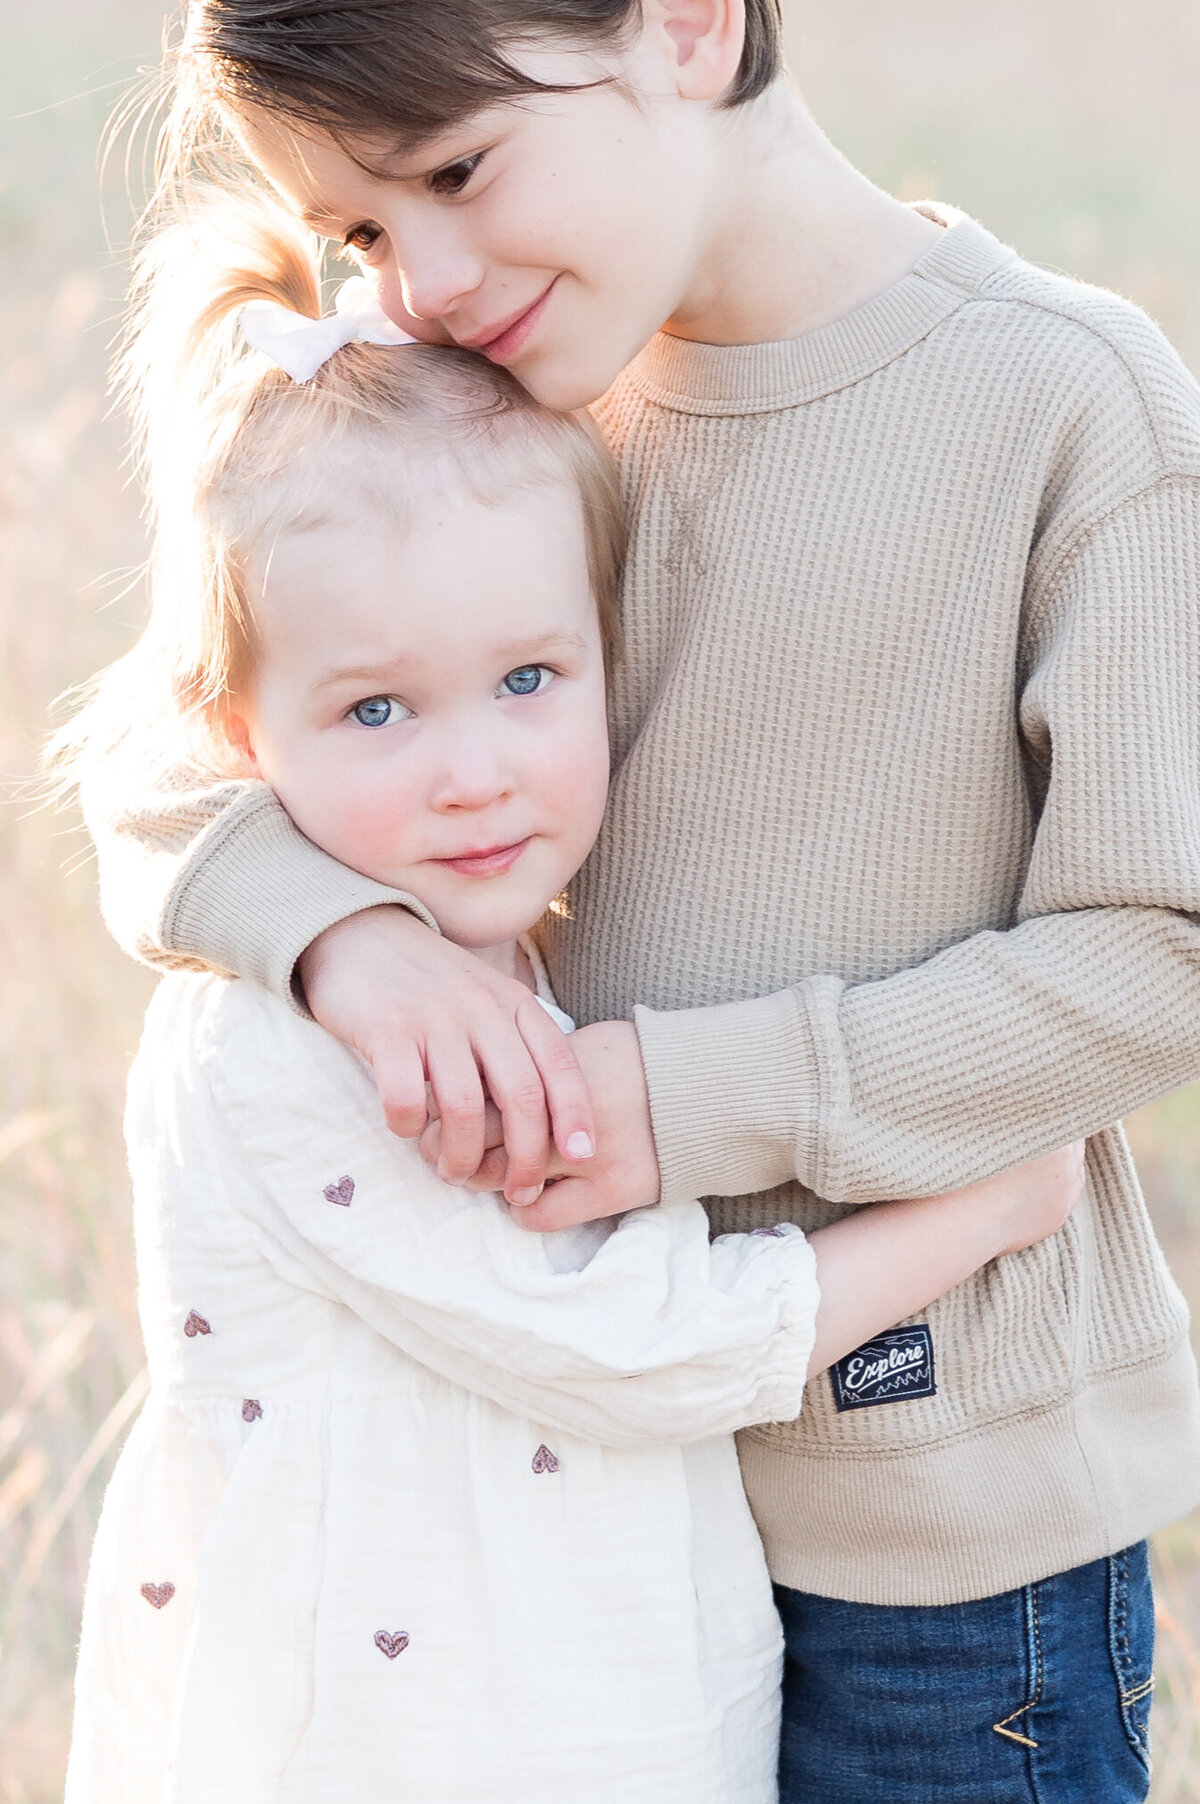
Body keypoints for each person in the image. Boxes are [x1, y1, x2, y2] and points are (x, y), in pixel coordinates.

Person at [82, 2, 1200, 1798]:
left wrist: (678, 1108)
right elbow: (161, 755)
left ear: (686, 21)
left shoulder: (1065, 405)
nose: (421, 278)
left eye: (456, 171)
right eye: (368, 228)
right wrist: (349, 941)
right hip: (584, 1533)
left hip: (928, 1541)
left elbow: (1160, 949)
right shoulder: (485, 400)